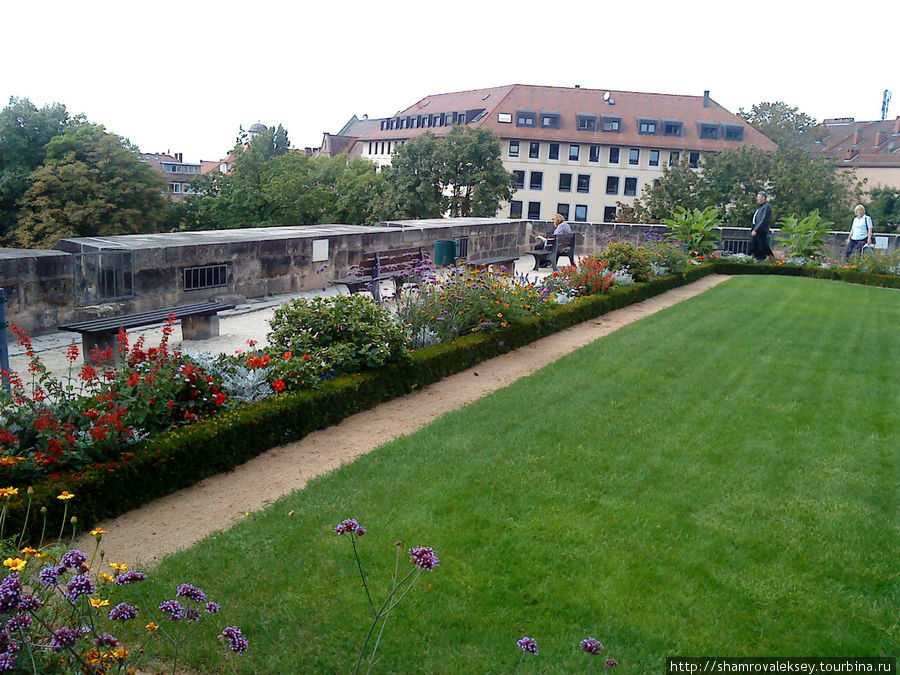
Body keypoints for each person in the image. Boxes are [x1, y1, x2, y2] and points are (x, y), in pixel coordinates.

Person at [749, 191, 774, 261]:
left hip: (760, 230)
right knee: (757, 245)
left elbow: (763, 220)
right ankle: (762, 258)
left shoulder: (766, 207)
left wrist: (756, 230)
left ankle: (765, 258)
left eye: (759, 197)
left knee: (760, 246)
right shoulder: (761, 207)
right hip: (757, 229)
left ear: (763, 198)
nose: (757, 198)